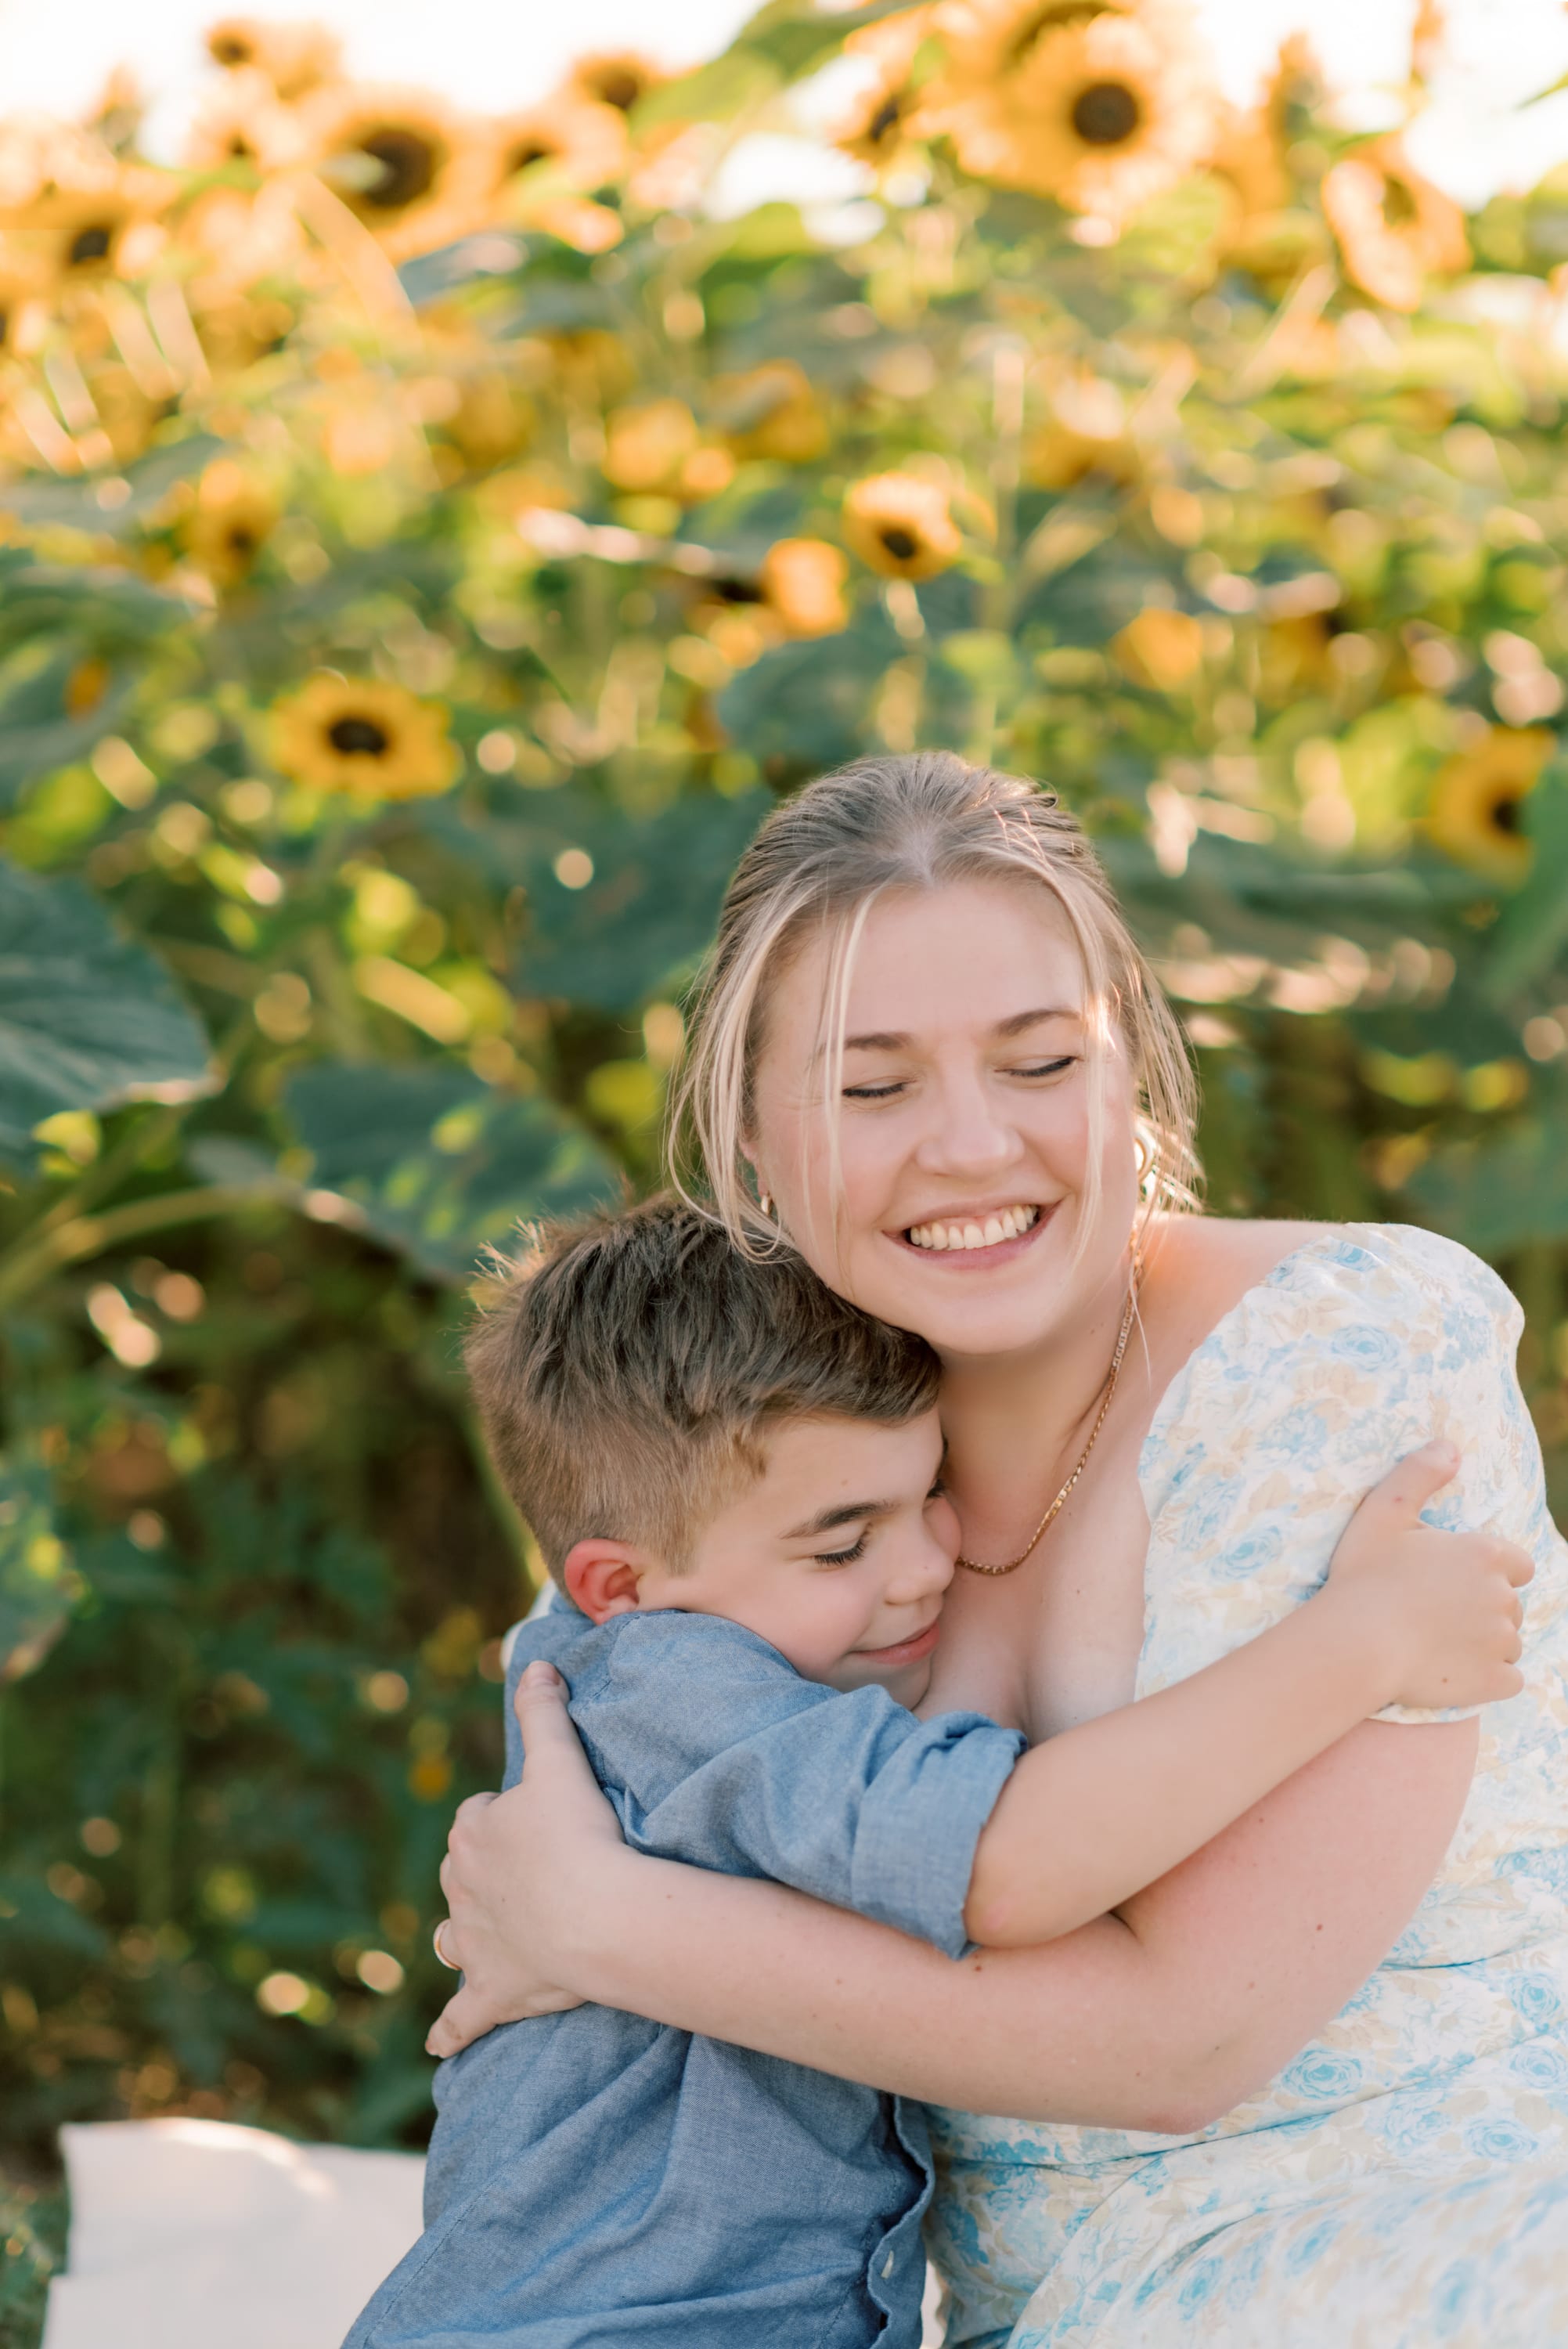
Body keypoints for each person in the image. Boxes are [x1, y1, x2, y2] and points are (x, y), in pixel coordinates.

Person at [429, 753, 1568, 2349]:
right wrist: (549, 1905)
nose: (970, 1149)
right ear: (750, 1130)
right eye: (869, 1086)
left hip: (1413, 2233)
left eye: (1038, 1062)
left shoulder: (1344, 1353)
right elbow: (537, 1843)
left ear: (1132, 1070)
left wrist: (612, 1928)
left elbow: (1188, 2043)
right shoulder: (749, 1463)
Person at [346, 1195, 1513, 2349]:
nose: (920, 1569)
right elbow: (1009, 1861)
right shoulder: (685, 1689)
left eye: (935, 1493)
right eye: (844, 1542)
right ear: (617, 1585)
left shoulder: (638, 1634)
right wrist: (1367, 1645)